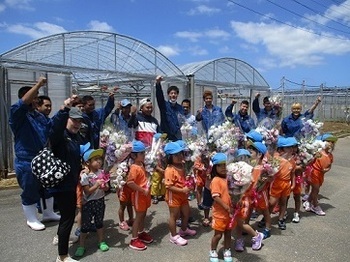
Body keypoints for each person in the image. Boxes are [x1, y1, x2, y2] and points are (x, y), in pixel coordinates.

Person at [8, 77, 64, 231]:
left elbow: (51, 126)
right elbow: (23, 103)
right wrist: (38, 84)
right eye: (34, 98)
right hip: (27, 160)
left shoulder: (38, 116)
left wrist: (63, 110)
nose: (36, 101)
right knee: (30, 188)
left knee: (47, 186)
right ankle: (31, 218)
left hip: (43, 158)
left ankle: (48, 213)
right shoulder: (17, 114)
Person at [49, 103, 85, 262]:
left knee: (67, 215)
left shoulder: (75, 137)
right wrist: (63, 110)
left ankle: (59, 237)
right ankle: (62, 256)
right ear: (66, 119)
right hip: (62, 184)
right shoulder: (60, 136)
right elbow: (55, 128)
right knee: (68, 217)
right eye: (74, 120)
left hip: (70, 182)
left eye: (79, 121)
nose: (77, 124)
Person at [74, 143, 109, 257]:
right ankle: (81, 246)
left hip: (100, 201)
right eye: (95, 159)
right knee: (85, 226)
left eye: (99, 159)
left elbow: (106, 188)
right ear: (87, 162)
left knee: (99, 223)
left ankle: (101, 242)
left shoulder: (101, 173)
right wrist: (97, 185)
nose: (99, 161)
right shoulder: (85, 176)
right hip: (89, 203)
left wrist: (105, 186)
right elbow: (87, 191)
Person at [164, 142, 196, 246]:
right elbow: (168, 186)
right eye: (175, 155)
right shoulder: (169, 169)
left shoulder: (182, 165)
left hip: (183, 196)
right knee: (174, 216)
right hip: (174, 196)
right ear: (169, 157)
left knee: (186, 213)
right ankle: (173, 236)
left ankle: (184, 229)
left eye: (180, 154)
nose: (179, 157)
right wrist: (182, 190)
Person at [126, 141, 153, 251]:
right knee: (138, 216)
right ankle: (134, 238)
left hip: (145, 194)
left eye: (144, 153)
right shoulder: (134, 168)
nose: (144, 155)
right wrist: (142, 189)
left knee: (143, 214)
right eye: (141, 153)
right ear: (133, 155)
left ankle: (141, 233)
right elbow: (130, 183)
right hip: (139, 195)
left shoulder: (141, 164)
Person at [304, 134, 337, 216]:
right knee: (316, 189)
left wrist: (326, 170)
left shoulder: (330, 155)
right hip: (314, 172)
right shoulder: (319, 152)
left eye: (332, 142)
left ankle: (308, 201)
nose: (330, 143)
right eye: (328, 141)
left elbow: (329, 165)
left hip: (321, 174)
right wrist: (313, 157)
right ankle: (315, 205)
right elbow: (310, 162)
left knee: (316, 190)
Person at [269, 137, 297, 231]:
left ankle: (281, 218)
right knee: (272, 202)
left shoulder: (292, 161)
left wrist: (293, 183)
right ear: (281, 149)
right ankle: (266, 217)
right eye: (288, 147)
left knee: (283, 202)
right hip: (277, 182)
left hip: (286, 184)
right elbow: (270, 172)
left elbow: (292, 173)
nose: (291, 149)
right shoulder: (276, 159)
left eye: (291, 147)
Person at [209, 153, 233, 262]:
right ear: (215, 167)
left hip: (231, 213)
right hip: (220, 214)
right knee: (218, 235)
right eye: (220, 165)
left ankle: (227, 249)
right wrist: (225, 206)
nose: (223, 167)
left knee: (228, 233)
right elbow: (215, 196)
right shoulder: (216, 180)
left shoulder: (230, 178)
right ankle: (213, 250)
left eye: (225, 165)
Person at [155, 75, 184, 141]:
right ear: (168, 95)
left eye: (175, 93)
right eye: (171, 93)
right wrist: (158, 83)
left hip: (177, 137)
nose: (173, 95)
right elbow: (159, 97)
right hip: (166, 137)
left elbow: (182, 121)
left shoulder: (180, 108)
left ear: (177, 95)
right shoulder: (164, 105)